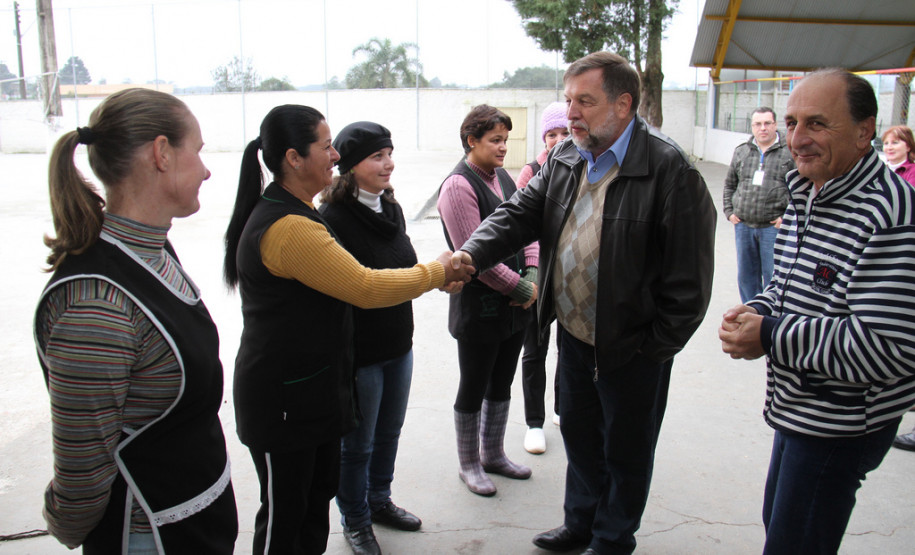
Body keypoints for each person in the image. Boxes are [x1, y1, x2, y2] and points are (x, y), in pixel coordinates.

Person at [453, 52, 716, 554]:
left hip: (633, 347)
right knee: (578, 434)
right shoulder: (566, 157)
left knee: (627, 449)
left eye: (585, 102)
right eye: (569, 100)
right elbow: (516, 214)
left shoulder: (670, 170)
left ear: (623, 104)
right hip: (574, 335)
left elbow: (690, 287)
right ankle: (580, 524)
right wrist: (468, 254)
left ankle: (613, 538)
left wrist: (652, 349)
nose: (571, 113)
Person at [223, 105, 472, 555]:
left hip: (310, 392)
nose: (334, 155)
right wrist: (435, 273)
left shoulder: (300, 211)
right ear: (294, 158)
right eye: (326, 145)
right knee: (285, 521)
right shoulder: (290, 227)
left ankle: (373, 502)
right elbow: (364, 285)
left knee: (313, 506)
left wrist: (431, 276)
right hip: (283, 404)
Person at [719, 69, 915, 554]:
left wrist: (770, 335)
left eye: (817, 124)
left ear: (865, 130)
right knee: (780, 524)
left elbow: (887, 348)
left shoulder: (889, 214)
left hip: (842, 422)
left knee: (795, 541)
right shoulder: (810, 191)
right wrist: (757, 309)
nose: (797, 139)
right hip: (800, 408)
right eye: (791, 122)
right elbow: (788, 289)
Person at [34, 88, 238, 553]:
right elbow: (82, 480)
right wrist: (65, 522)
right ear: (162, 153)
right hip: (150, 536)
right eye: (198, 151)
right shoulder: (96, 305)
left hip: (199, 519)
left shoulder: (152, 250)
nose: (206, 170)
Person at [317, 122, 422, 555]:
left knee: (389, 432)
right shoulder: (333, 221)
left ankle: (379, 500)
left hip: (399, 343)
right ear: (350, 165)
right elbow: (359, 286)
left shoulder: (390, 209)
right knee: (357, 445)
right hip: (362, 354)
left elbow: (405, 262)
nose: (388, 163)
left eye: (390, 153)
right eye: (377, 156)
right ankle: (355, 520)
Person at [437, 104, 538, 497]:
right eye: (495, 140)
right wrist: (519, 288)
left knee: (502, 380)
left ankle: (493, 453)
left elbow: (527, 228)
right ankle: (469, 463)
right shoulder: (459, 186)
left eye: (505, 140)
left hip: (514, 308)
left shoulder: (504, 179)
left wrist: (531, 270)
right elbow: (471, 255)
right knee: (474, 383)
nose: (502, 148)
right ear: (471, 141)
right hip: (481, 307)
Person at [515, 101, 569, 454]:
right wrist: (532, 272)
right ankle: (534, 423)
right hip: (538, 275)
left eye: (565, 132)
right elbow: (522, 223)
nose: (559, 139)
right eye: (552, 134)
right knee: (534, 350)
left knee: (572, 346)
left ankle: (563, 408)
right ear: (544, 137)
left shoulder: (587, 168)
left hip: (573, 275)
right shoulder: (530, 171)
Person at [723, 106, 795, 303]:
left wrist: (787, 218)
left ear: (774, 125)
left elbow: (800, 190)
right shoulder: (742, 152)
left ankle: (770, 314)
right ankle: (750, 310)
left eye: (767, 123)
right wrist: (729, 212)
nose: (762, 128)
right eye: (758, 124)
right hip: (744, 226)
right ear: (752, 127)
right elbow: (730, 184)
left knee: (773, 275)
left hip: (773, 227)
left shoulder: (789, 153)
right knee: (746, 275)